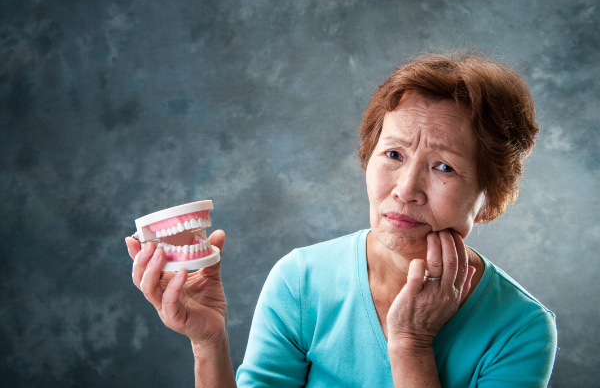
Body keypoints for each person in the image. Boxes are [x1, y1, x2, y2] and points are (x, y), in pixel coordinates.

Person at [125, 49, 557, 387]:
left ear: (490, 194)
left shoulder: (521, 328)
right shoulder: (301, 281)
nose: (405, 189)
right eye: (393, 154)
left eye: (443, 166)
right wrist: (208, 342)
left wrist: (410, 344)